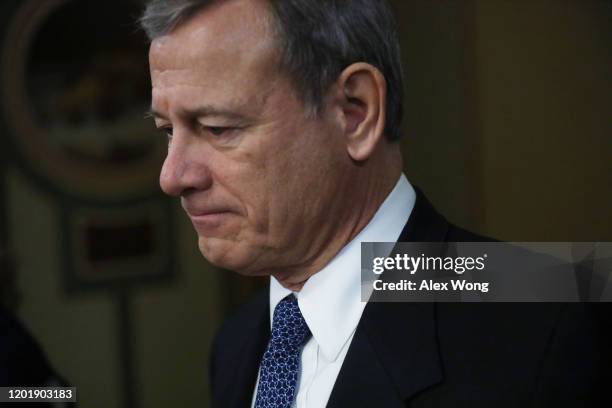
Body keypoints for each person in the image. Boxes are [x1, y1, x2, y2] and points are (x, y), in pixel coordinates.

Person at [139, 1, 609, 407]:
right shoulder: (238, 344)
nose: (172, 176)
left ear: (355, 112)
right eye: (167, 131)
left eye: (218, 128)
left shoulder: (552, 318)